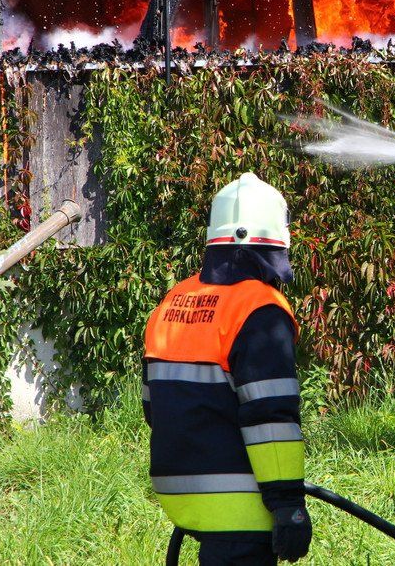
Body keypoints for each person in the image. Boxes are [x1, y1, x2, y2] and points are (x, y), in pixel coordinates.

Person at [143, 173, 312, 564]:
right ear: (277, 240)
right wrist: (287, 503)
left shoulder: (174, 300)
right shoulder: (259, 310)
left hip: (176, 490)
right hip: (241, 502)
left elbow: (153, 407)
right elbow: (270, 418)